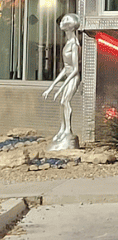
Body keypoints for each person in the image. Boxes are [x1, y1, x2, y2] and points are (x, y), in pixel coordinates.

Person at [42, 13, 81, 150]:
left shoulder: (75, 45)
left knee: (65, 101)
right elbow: (66, 68)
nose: (62, 23)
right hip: (68, 75)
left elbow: (75, 69)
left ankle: (68, 130)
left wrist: (61, 87)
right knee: (62, 102)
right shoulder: (68, 43)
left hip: (74, 78)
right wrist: (52, 86)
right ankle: (63, 129)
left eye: (65, 21)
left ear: (71, 26)